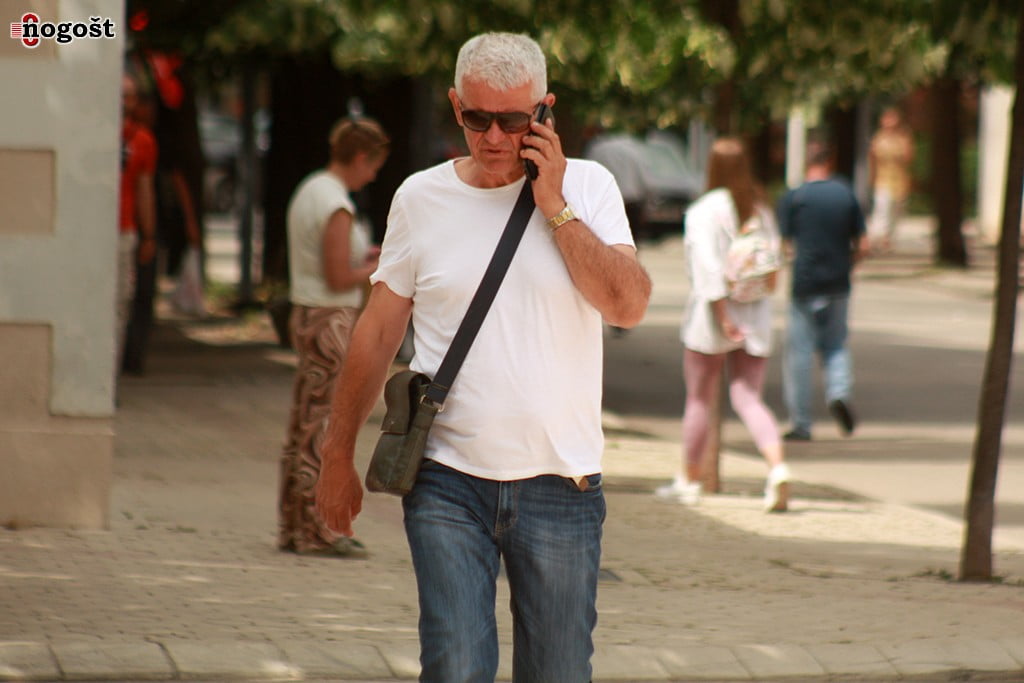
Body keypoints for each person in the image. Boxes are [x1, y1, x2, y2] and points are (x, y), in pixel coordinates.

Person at [315, 32, 651, 682]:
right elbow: (378, 332)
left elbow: (628, 305)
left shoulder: (590, 187)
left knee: (558, 672)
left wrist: (555, 206)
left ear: (545, 110)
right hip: (447, 480)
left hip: (562, 483)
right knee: (456, 665)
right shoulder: (420, 198)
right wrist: (336, 453)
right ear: (455, 105)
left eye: (514, 120)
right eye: (476, 118)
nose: (494, 137)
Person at [656, 137, 790, 512]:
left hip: (712, 319)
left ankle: (689, 479)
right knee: (748, 398)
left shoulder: (704, 210)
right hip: (755, 313)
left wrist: (723, 319)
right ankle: (777, 467)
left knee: (699, 398)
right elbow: (773, 263)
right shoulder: (760, 209)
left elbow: (707, 269)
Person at [277, 117, 390, 557]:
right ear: (360, 157)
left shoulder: (312, 189)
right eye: (373, 166)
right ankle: (317, 530)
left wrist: (364, 260)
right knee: (323, 426)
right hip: (330, 319)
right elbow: (339, 276)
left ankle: (295, 524)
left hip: (309, 310)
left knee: (304, 424)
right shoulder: (336, 204)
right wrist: (380, 267)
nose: (373, 175)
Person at [776, 139, 870, 442]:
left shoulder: (794, 197)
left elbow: (785, 245)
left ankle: (801, 423)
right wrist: (849, 264)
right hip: (838, 283)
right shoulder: (845, 194)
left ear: (808, 162)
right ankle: (838, 393)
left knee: (799, 355)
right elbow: (863, 244)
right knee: (836, 345)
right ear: (830, 161)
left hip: (804, 284)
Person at [117, 72, 158, 378]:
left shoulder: (142, 140)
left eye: (129, 95)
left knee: (121, 302)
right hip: (92, 232)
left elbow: (145, 189)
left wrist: (148, 235)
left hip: (124, 230)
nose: (123, 101)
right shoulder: (90, 131)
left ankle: (112, 374)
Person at [867, 106, 914, 252]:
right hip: (883, 179)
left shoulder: (903, 137)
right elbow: (872, 159)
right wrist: (872, 177)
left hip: (899, 180)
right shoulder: (878, 138)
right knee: (882, 208)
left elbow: (909, 158)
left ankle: (889, 238)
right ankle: (880, 237)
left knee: (895, 210)